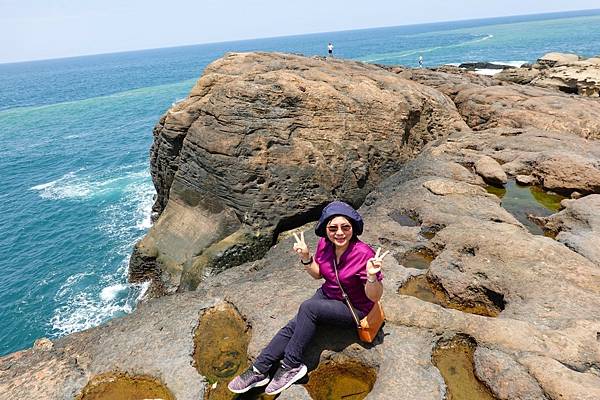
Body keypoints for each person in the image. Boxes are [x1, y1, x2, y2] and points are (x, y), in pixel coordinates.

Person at [227, 201, 388, 395]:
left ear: (353, 228)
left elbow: (375, 296)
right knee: (293, 325)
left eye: (346, 227)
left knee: (308, 308)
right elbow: (319, 274)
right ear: (325, 229)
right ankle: (259, 369)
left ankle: (291, 366)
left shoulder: (363, 254)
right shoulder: (324, 245)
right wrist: (306, 258)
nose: (339, 233)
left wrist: (371, 276)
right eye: (333, 228)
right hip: (328, 295)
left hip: (354, 308)